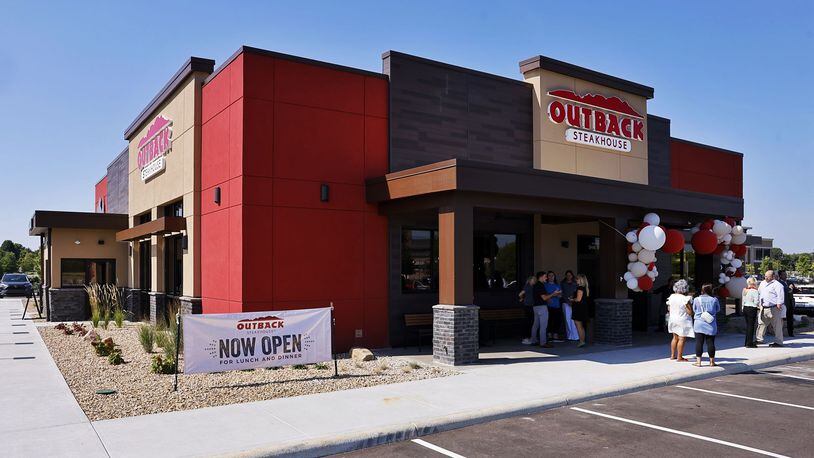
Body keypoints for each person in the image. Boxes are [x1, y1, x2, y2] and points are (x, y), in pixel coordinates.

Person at [692, 284, 721, 367]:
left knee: (699, 342)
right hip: (710, 324)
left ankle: (698, 362)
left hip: (699, 323)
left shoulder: (697, 299)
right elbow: (718, 309)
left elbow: (694, 309)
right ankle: (712, 362)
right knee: (710, 343)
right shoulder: (714, 300)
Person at [522, 271, 552, 348]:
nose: (546, 278)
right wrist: (554, 294)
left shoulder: (535, 285)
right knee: (543, 325)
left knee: (535, 325)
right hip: (542, 307)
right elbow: (544, 297)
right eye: (545, 276)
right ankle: (543, 342)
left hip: (535, 307)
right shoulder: (541, 285)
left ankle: (533, 340)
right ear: (541, 277)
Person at [666, 279, 694, 361]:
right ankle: (679, 357)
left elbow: (669, 309)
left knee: (674, 338)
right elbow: (690, 312)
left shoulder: (671, 297)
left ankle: (672, 355)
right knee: (681, 338)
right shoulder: (685, 298)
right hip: (682, 319)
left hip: (673, 319)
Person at [757, 270, 785, 347]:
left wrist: (779, 304)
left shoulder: (777, 285)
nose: (765, 277)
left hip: (774, 308)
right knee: (761, 323)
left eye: (767, 276)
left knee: (777, 326)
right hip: (764, 307)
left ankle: (779, 342)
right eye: (765, 276)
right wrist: (759, 303)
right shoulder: (762, 283)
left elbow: (780, 296)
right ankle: (759, 339)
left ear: (772, 277)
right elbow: (759, 293)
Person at [570, 274, 591, 347]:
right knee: (581, 326)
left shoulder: (580, 288)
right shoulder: (584, 288)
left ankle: (581, 341)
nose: (576, 280)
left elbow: (578, 299)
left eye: (577, 279)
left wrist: (572, 299)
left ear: (581, 280)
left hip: (579, 308)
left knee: (578, 325)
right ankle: (582, 340)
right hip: (582, 307)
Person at [543, 271, 564, 342]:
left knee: (557, 320)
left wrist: (558, 295)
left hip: (557, 305)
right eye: (549, 275)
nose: (551, 277)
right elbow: (544, 295)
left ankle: (555, 335)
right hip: (549, 305)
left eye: (552, 276)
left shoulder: (557, 285)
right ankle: (549, 335)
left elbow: (560, 295)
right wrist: (552, 295)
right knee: (549, 320)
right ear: (547, 277)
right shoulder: (545, 285)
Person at [560, 270, 579, 341]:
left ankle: (576, 336)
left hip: (574, 303)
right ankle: (569, 335)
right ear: (565, 276)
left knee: (574, 319)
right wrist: (567, 301)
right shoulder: (563, 283)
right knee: (567, 319)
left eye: (570, 275)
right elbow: (562, 293)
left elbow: (577, 292)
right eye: (567, 275)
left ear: (572, 276)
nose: (569, 276)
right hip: (566, 303)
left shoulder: (575, 283)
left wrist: (573, 300)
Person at [741, 276, 760, 348]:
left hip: (745, 307)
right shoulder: (755, 291)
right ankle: (749, 343)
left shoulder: (745, 290)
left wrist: (743, 308)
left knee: (748, 326)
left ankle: (747, 342)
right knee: (751, 326)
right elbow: (756, 301)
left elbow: (743, 300)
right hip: (752, 308)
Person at [519, 275, 537, 344]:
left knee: (532, 322)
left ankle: (530, 337)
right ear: (530, 280)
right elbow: (521, 294)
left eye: (535, 280)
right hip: (528, 306)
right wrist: (522, 298)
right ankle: (525, 338)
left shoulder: (533, 287)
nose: (534, 281)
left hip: (532, 305)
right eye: (533, 279)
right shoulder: (527, 286)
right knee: (528, 322)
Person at [779, 271, 795, 337]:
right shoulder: (779, 283)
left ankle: (790, 333)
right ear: (780, 276)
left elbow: (793, 290)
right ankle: (780, 333)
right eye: (784, 275)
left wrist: (794, 288)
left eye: (786, 274)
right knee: (782, 319)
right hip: (784, 303)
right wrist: (790, 288)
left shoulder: (789, 282)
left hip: (790, 302)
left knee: (790, 318)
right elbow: (786, 290)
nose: (786, 276)